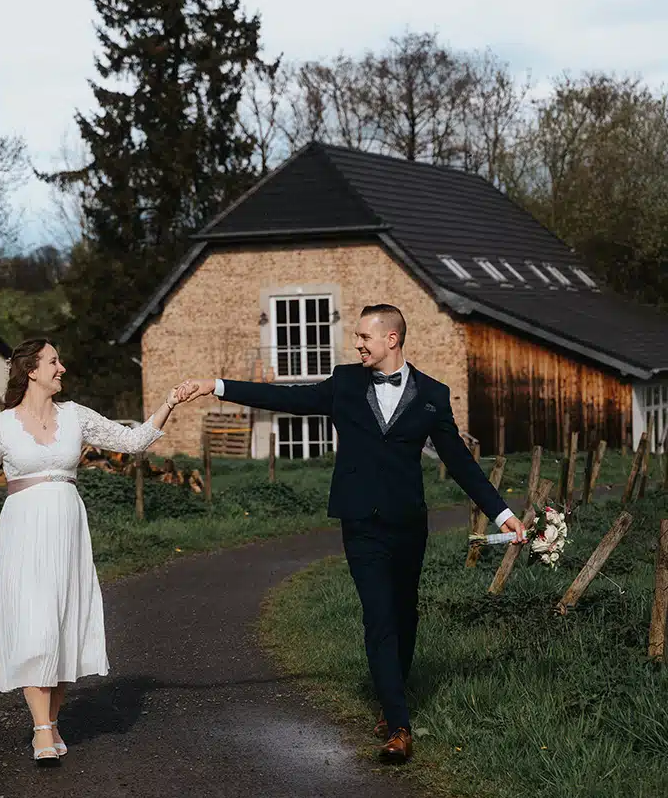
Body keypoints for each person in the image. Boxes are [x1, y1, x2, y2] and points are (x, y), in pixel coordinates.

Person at [180, 304, 525, 763]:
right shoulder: (345, 384)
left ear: (392, 340)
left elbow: (460, 462)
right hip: (360, 523)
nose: (357, 343)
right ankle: (399, 724)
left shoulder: (433, 397)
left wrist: (502, 514)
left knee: (404, 615)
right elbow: (287, 399)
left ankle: (391, 693)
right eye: (357, 336)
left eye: (365, 336)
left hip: (408, 525)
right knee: (378, 617)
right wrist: (217, 386)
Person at [0, 337, 190, 766]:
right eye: (54, 361)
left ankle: (51, 722)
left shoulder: (75, 417)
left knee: (61, 623)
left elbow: (131, 442)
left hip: (68, 529)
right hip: (23, 530)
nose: (62, 368)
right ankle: (41, 730)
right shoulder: (1, 425)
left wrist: (168, 402)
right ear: (31, 371)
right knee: (34, 623)